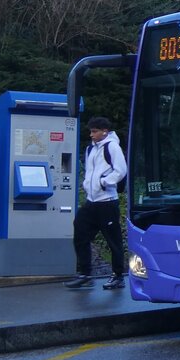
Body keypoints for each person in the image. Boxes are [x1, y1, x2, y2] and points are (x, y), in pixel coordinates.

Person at [65, 116, 129, 290]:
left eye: (94, 131)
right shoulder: (90, 149)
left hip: (107, 201)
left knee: (113, 240)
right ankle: (85, 273)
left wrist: (104, 182)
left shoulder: (112, 147)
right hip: (92, 201)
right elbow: (90, 171)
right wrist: (88, 184)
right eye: (91, 131)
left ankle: (117, 276)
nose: (91, 135)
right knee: (80, 231)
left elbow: (121, 170)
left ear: (104, 132)